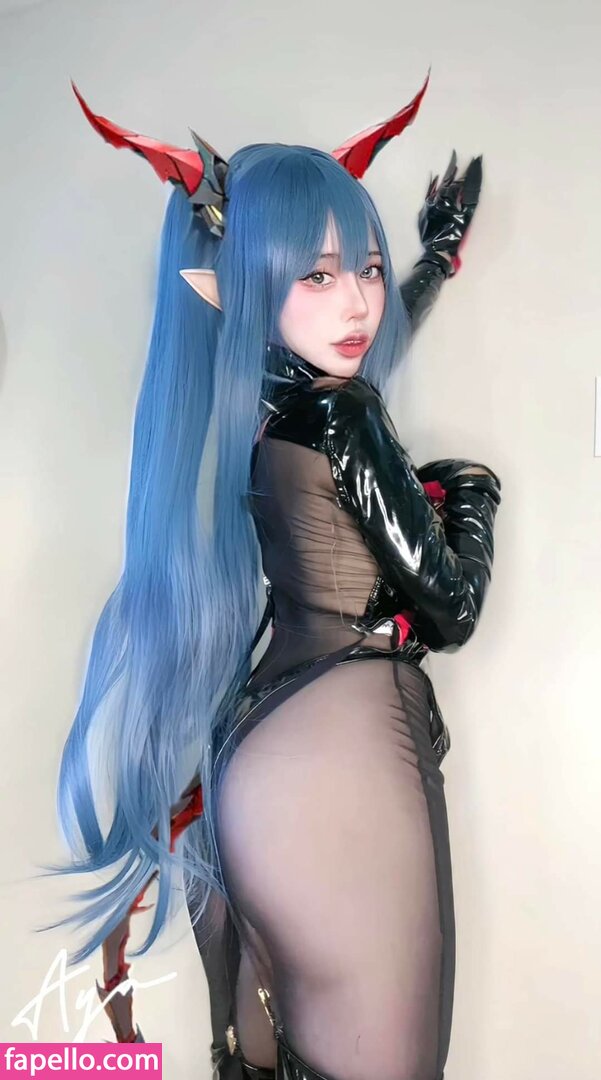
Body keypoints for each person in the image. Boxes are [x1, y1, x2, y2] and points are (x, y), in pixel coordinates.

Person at [49, 77, 501, 1080]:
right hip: (344, 742)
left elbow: (358, 353)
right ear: (251, 284)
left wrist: (432, 262)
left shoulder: (261, 401)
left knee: (261, 1061)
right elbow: (453, 609)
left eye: (366, 269)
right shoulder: (340, 416)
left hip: (255, 755)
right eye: (317, 275)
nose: (357, 302)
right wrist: (473, 497)